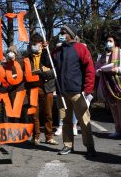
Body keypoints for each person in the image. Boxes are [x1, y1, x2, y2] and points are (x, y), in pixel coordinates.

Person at [52, 24, 96, 157]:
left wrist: (88, 89)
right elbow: (48, 63)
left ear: (71, 34)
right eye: (60, 32)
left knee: (84, 120)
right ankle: (68, 145)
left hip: (77, 92)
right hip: (62, 92)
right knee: (65, 121)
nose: (61, 34)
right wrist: (44, 50)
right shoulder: (57, 51)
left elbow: (89, 69)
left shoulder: (80, 48)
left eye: (63, 32)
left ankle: (89, 146)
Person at [28, 33, 58, 145]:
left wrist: (41, 74)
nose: (33, 46)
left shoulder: (49, 56)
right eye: (32, 44)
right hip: (34, 88)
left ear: (41, 44)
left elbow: (53, 72)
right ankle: (36, 137)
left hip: (48, 88)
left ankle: (49, 136)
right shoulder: (28, 58)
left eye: (36, 44)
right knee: (34, 114)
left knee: (48, 114)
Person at [95, 32, 121, 138]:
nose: (108, 43)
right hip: (108, 86)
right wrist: (99, 71)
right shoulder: (102, 56)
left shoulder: (120, 53)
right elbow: (96, 68)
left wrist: (117, 69)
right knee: (114, 109)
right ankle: (118, 129)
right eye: (107, 41)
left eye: (111, 41)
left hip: (119, 85)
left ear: (116, 43)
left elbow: (118, 67)